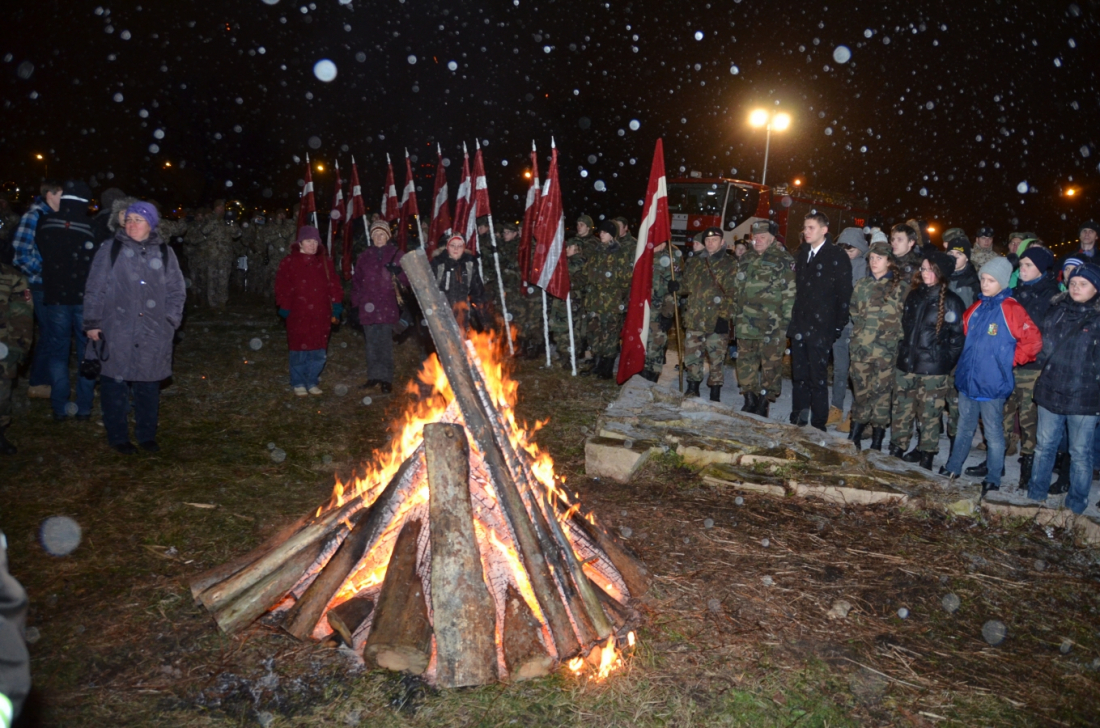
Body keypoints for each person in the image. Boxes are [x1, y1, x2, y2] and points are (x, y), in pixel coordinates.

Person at [83, 202, 186, 454]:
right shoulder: (111, 249)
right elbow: (95, 288)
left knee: (148, 386)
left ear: (151, 224)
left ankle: (146, 435)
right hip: (116, 330)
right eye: (128, 219)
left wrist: (170, 321)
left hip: (154, 332)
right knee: (114, 386)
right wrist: (93, 323)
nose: (131, 224)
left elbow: (176, 290)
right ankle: (118, 436)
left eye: (138, 220)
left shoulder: (164, 252)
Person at [940, 258, 1042, 493]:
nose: (985, 284)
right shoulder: (976, 307)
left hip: (992, 384)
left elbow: (1034, 341)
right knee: (964, 427)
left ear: (1003, 282)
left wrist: (1009, 360)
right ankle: (953, 466)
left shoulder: (1011, 309)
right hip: (968, 381)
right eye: (983, 279)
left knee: (993, 432)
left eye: (991, 281)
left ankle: (994, 475)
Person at [1026, 262, 1100, 514]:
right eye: (1073, 283)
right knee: (1044, 446)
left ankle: (1076, 505)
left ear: (1096, 289)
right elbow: (1043, 346)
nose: (1076, 287)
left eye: (1084, 284)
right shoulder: (1056, 309)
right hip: (1051, 390)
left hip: (1084, 397)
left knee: (1080, 453)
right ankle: (1036, 495)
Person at [890, 251, 966, 469]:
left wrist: (942, 362)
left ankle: (927, 454)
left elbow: (957, 339)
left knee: (929, 416)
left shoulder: (952, 302)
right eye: (923, 269)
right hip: (906, 366)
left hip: (933, 371)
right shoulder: (914, 296)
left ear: (940, 273)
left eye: (931, 270)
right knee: (901, 410)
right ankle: (897, 447)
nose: (925, 274)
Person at [995, 246, 1060, 490]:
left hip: (1033, 367)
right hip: (1008, 363)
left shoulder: (1051, 296)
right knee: (1001, 412)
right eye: (1021, 265)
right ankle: (995, 463)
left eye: (1028, 266)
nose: (1022, 270)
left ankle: (1027, 468)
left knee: (1029, 419)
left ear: (1041, 269)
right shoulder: (1015, 291)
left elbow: (1047, 335)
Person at [34, 180, 98, 422]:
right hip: (84, 298)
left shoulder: (45, 222)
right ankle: (83, 407)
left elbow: (43, 252)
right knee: (86, 352)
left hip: (56, 297)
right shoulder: (91, 226)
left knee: (58, 352)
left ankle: (60, 407)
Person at [787, 212, 853, 430]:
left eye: (811, 227)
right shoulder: (801, 253)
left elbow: (844, 293)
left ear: (824, 230)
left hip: (822, 326)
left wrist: (836, 325)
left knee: (818, 377)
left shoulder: (836, 256)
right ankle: (799, 415)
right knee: (800, 374)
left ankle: (818, 422)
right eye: (805, 227)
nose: (806, 232)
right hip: (801, 324)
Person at [847, 240, 906, 451]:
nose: (874, 262)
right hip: (861, 350)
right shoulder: (862, 285)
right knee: (861, 393)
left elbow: (905, 319)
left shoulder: (900, 288)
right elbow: (854, 311)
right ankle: (855, 435)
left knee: (882, 396)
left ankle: (877, 442)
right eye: (871, 258)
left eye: (879, 258)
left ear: (889, 262)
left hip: (885, 353)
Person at [732, 220, 795, 417]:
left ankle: (764, 401)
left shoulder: (783, 259)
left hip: (772, 325)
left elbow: (789, 294)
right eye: (755, 237)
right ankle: (749, 396)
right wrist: (735, 315)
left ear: (772, 239)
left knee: (771, 365)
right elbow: (737, 289)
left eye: (762, 237)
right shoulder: (746, 258)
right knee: (745, 362)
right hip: (746, 322)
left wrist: (785, 324)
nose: (757, 240)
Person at [275, 226, 343, 397]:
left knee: (318, 350)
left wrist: (336, 305)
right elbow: (281, 286)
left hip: (321, 314)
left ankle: (312, 380)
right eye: (308, 241)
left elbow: (334, 285)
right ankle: (298, 382)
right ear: (300, 243)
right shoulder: (289, 262)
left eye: (315, 241)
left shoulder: (325, 263)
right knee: (299, 350)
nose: (312, 245)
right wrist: (284, 305)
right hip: (298, 314)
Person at [11, 181, 62, 399]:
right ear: (50, 194)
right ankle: (38, 382)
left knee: (53, 332)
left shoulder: (52, 215)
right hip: (39, 283)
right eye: (62, 195)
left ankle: (45, 380)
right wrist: (45, 271)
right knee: (50, 332)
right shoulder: (35, 216)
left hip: (51, 283)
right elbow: (21, 254)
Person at [679, 227, 737, 400]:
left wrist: (724, 316)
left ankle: (715, 391)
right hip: (695, 318)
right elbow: (687, 286)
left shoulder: (730, 263)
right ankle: (693, 386)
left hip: (716, 319)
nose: (711, 243)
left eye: (714, 240)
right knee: (692, 354)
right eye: (708, 240)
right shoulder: (695, 262)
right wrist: (677, 286)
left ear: (721, 242)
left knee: (716, 358)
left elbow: (733, 293)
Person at [351, 220, 406, 394]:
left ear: (388, 236)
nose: (379, 237)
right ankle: (373, 376)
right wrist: (355, 304)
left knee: (385, 344)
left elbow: (408, 280)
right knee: (371, 344)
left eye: (382, 234)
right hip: (368, 307)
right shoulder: (364, 256)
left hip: (387, 306)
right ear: (372, 237)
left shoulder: (397, 254)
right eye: (375, 234)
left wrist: (399, 274)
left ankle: (386, 379)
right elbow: (357, 282)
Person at [829, 227, 869, 430]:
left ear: (861, 248)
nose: (846, 251)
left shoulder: (866, 268)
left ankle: (854, 413)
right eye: (842, 247)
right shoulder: (836, 265)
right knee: (839, 368)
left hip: (858, 328)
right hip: (840, 326)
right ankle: (836, 408)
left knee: (857, 372)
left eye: (850, 247)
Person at [581, 220, 632, 379]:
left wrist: (611, 287)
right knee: (594, 333)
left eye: (605, 232)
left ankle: (607, 368)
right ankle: (596, 364)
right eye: (600, 232)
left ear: (612, 235)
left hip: (611, 302)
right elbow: (586, 273)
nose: (601, 234)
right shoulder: (595, 253)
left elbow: (626, 279)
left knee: (609, 335)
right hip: (595, 301)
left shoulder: (620, 254)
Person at [548, 216, 594, 367]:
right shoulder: (566, 261)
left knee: (572, 330)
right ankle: (564, 355)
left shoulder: (580, 261)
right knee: (561, 329)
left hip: (574, 299)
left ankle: (571, 357)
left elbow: (577, 278)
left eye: (569, 247)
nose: (566, 249)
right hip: (562, 300)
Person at [0, 262, 33, 454]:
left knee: (2, 395)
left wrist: (18, 348)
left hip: (2, 347)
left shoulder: (12, 277)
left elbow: (23, 316)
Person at [431, 233, 487, 333]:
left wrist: (482, 315)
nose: (456, 249)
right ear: (447, 247)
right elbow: (429, 290)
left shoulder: (469, 264)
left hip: (463, 314)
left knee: (462, 341)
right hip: (442, 314)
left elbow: (478, 292)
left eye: (459, 246)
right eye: (453, 245)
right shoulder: (438, 264)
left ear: (464, 248)